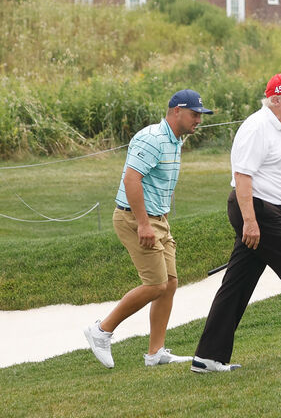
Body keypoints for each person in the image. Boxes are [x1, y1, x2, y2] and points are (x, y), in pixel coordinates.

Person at [190, 73, 281, 373]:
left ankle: (208, 357)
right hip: (257, 210)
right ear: (275, 99)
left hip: (271, 211)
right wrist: (250, 222)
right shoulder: (257, 127)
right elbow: (243, 176)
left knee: (238, 283)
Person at [83, 89, 213, 369]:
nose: (199, 120)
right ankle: (101, 331)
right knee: (155, 284)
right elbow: (132, 179)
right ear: (176, 111)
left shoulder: (175, 140)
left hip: (158, 220)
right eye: (194, 114)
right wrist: (143, 223)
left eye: (201, 115)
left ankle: (155, 353)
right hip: (135, 219)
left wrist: (158, 220)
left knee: (170, 284)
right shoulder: (152, 138)